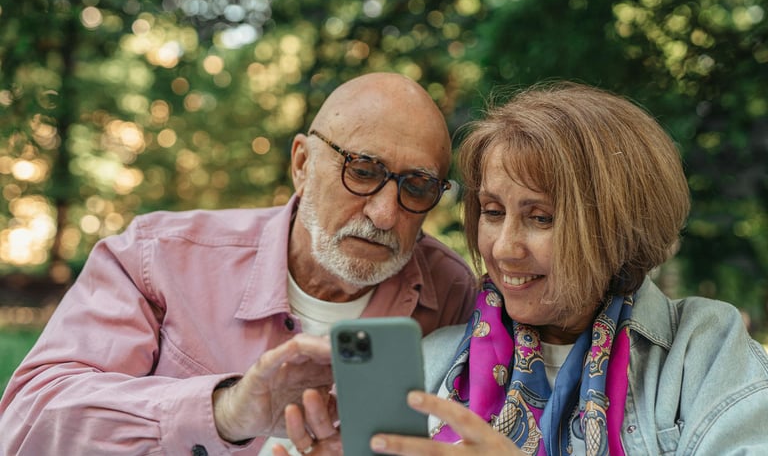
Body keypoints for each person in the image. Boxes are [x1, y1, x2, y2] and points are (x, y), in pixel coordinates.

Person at [276, 81, 768, 455]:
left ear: (621, 228)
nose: (505, 248)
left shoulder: (703, 350)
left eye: (541, 218)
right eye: (492, 212)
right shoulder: (433, 361)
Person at [0, 72, 477, 455]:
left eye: (417, 186)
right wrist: (226, 411)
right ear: (302, 165)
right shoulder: (159, 256)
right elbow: (27, 424)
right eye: (363, 171)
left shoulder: (453, 294)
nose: (385, 214)